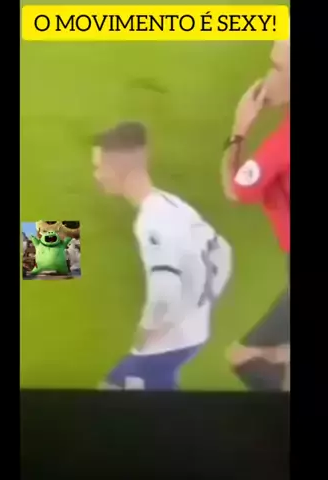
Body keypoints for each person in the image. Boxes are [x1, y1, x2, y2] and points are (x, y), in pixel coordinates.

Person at [93, 121, 233, 390]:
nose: (97, 175)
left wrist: (146, 332)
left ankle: (44, 261)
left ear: (118, 169)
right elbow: (223, 252)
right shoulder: (172, 203)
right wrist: (202, 304)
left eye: (99, 167)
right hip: (191, 334)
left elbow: (165, 291)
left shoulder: (151, 220)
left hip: (165, 343)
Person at [220, 37, 290, 391]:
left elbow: (235, 190)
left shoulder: (283, 144)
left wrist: (239, 131)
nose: (267, 77)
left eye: (277, 68)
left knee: (244, 356)